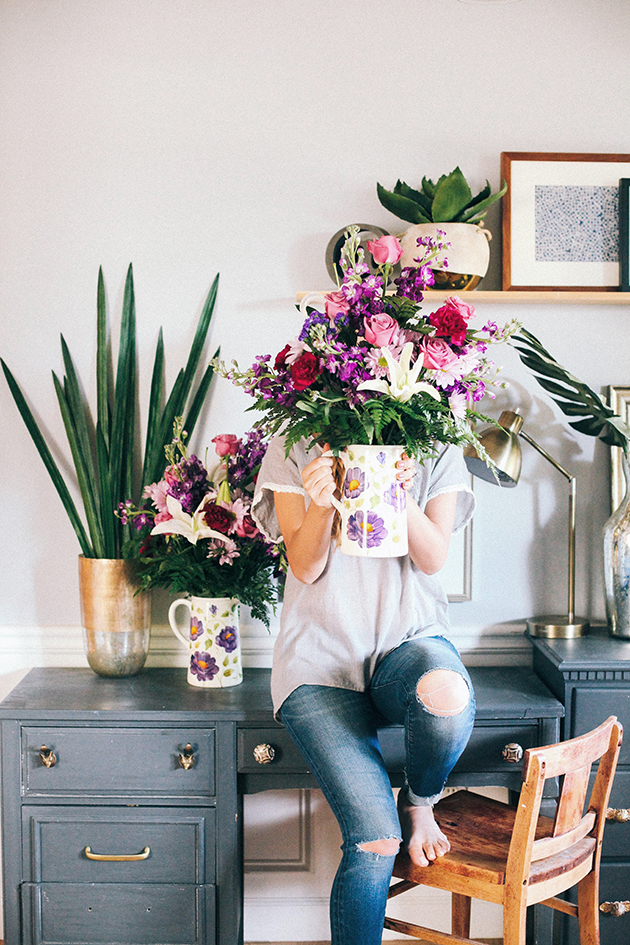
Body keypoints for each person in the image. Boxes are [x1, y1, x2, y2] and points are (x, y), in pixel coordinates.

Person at [251, 436, 476, 945]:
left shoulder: (431, 439)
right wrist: (321, 504)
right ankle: (397, 819)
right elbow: (305, 566)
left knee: (448, 697)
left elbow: (434, 557)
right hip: (318, 661)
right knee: (375, 841)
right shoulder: (292, 443)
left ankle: (419, 802)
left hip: (408, 640)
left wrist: (403, 496)